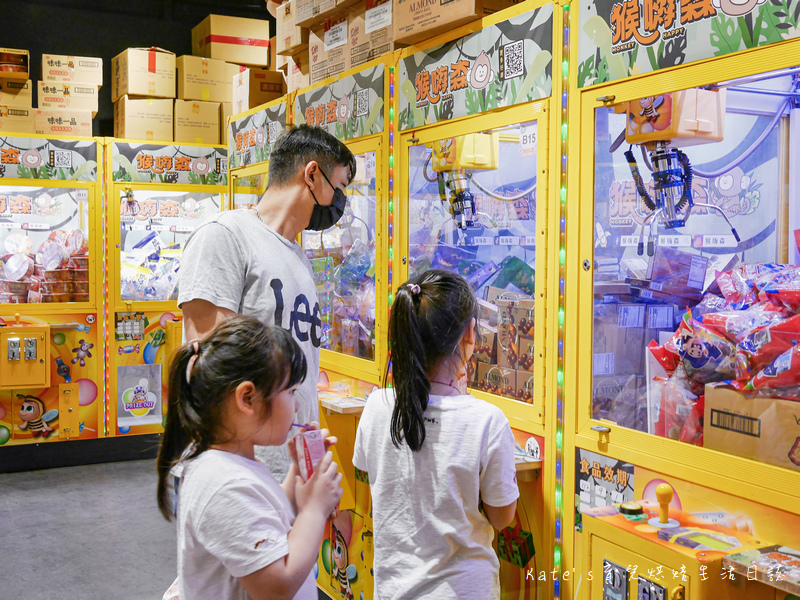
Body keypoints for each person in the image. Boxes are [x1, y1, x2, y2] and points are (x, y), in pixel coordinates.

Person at [178, 124, 356, 480]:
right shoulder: (224, 236)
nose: (341, 202)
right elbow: (206, 370)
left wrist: (311, 460)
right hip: (237, 474)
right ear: (311, 174)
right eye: (340, 187)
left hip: (288, 468)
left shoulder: (297, 256)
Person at [352, 269, 519, 600]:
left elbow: (369, 472)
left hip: (392, 589)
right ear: (470, 334)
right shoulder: (487, 421)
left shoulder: (378, 406)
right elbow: (502, 517)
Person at [157, 315, 343, 600]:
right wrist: (315, 510)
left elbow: (265, 516)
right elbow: (276, 587)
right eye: (291, 392)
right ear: (247, 398)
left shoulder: (233, 465)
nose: (297, 407)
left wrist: (297, 474)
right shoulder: (223, 485)